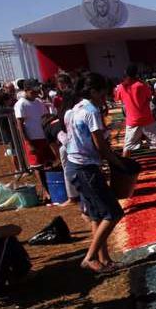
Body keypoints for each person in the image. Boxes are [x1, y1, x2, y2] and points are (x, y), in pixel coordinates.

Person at [66, 73, 125, 272]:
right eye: (102, 92)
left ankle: (104, 259)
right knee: (113, 212)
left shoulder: (75, 109)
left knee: (96, 215)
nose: (105, 96)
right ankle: (90, 257)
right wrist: (117, 163)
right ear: (92, 91)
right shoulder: (91, 111)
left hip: (75, 166)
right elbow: (100, 145)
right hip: (85, 168)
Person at [114, 64, 156, 169]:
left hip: (132, 121)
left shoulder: (121, 87)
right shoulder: (141, 85)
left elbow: (118, 99)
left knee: (127, 147)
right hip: (146, 118)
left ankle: (124, 168)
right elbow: (148, 98)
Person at [13, 81, 54, 193]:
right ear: (26, 90)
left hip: (43, 137)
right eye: (33, 91)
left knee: (49, 162)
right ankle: (45, 191)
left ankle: (51, 188)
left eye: (37, 91)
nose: (36, 93)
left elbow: (45, 117)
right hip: (32, 138)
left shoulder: (38, 102)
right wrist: (28, 142)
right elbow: (19, 125)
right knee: (38, 166)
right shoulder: (21, 104)